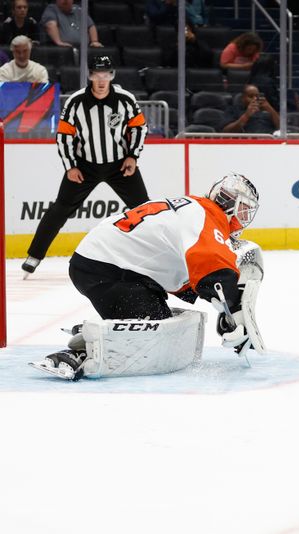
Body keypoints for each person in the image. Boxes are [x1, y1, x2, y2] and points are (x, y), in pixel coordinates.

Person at [30, 174, 263, 381]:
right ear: (231, 204)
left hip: (107, 263)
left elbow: (184, 273)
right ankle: (84, 350)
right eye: (244, 211)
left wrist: (224, 310)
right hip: (107, 267)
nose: (243, 218)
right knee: (157, 332)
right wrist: (234, 309)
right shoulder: (208, 217)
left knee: (160, 317)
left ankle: (110, 325)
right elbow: (214, 269)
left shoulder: (193, 208)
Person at [22, 56, 149, 277]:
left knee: (146, 211)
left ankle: (157, 257)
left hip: (120, 165)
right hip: (84, 167)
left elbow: (139, 128)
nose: (101, 80)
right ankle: (34, 256)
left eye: (106, 75)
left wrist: (133, 156)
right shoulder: (76, 101)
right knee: (60, 209)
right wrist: (71, 166)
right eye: (97, 75)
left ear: (112, 76)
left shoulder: (125, 100)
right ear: (90, 75)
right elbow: (64, 136)